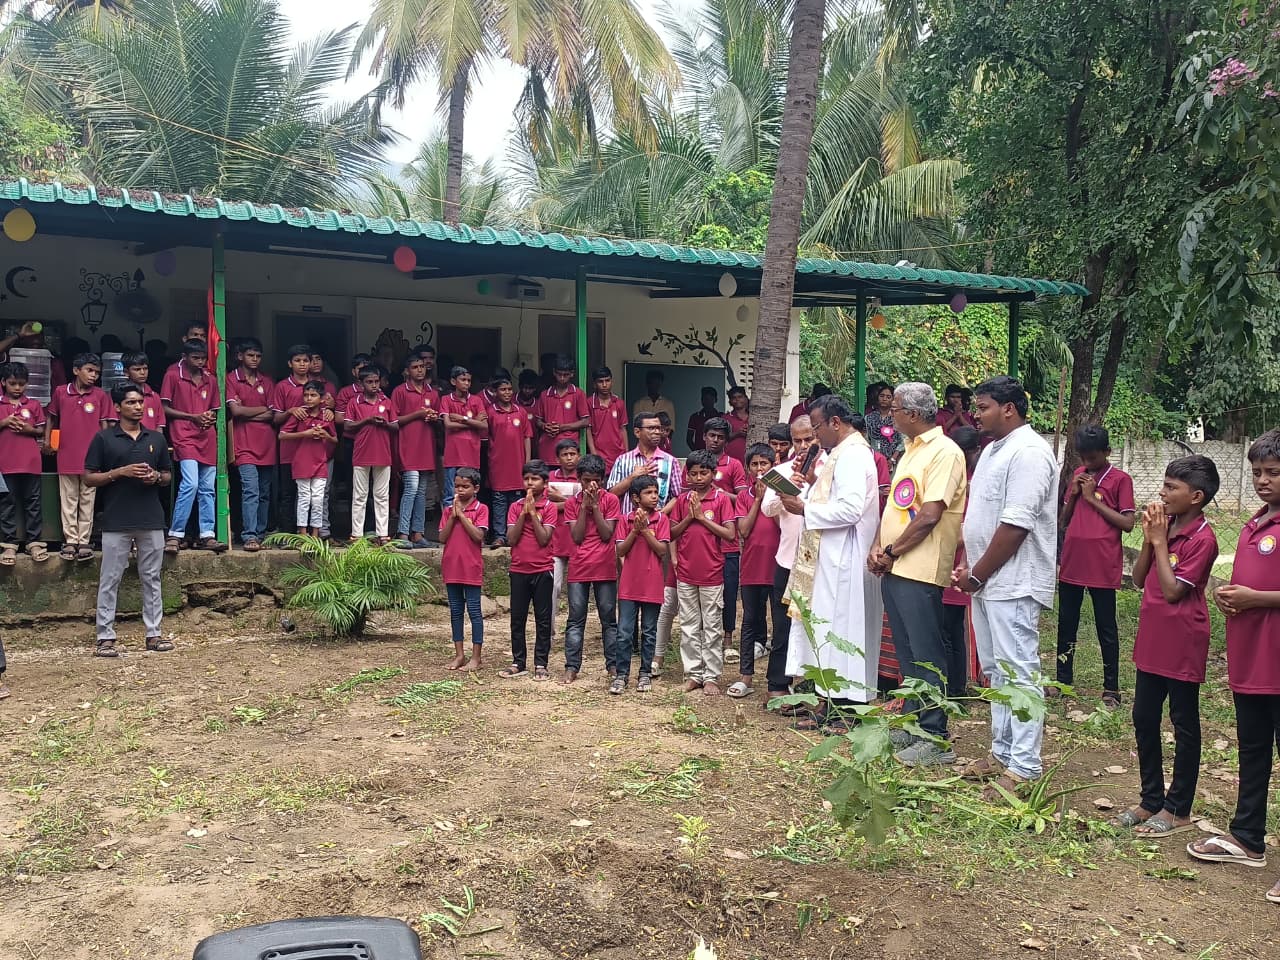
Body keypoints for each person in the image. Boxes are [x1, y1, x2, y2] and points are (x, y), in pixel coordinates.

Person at [953, 375, 1058, 797]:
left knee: (1018, 671)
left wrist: (979, 573)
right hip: (988, 580)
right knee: (996, 671)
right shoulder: (996, 449)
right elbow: (981, 518)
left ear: (1009, 408)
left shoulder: (1030, 452)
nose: (975, 415)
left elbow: (1016, 524)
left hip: (1013, 581)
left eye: (983, 407)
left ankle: (1026, 767)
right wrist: (970, 566)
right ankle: (1002, 752)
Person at [1189, 431, 1280, 898]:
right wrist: (1234, 599)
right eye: (1257, 473)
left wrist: (1255, 598)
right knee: (1253, 751)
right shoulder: (1253, 524)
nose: (1263, 481)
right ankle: (1247, 837)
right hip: (1251, 661)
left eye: (1273, 473)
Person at [1110, 456, 1218, 837]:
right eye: (1165, 484)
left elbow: (1173, 591)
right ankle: (1150, 798)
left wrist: (1159, 542)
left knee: (1183, 723)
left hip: (1183, 639)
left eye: (1172, 487)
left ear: (1196, 497)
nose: (1162, 492)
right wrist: (1149, 538)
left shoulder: (1204, 539)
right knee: (1144, 716)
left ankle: (1179, 807)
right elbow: (1139, 579)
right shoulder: (1165, 526)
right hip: (1152, 636)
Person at [868, 383, 967, 767]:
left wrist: (892, 551)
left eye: (893, 409)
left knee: (926, 653)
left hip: (920, 566)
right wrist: (880, 546)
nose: (889, 415)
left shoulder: (945, 452)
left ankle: (935, 735)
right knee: (908, 653)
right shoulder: (909, 450)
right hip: (896, 564)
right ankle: (912, 723)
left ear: (911, 413)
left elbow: (930, 514)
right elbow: (897, 504)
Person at [780, 395, 882, 731]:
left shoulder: (853, 455)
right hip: (827, 553)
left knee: (844, 628)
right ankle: (828, 700)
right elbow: (830, 499)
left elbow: (851, 509)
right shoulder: (839, 453)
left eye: (818, 427)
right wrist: (803, 494)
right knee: (825, 628)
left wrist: (804, 508)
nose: (815, 435)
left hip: (846, 559)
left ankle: (849, 708)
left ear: (836, 422)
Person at [83, 384, 174, 658]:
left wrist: (156, 477)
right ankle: (105, 637)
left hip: (151, 517)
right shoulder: (104, 438)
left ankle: (154, 634)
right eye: (131, 402)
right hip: (116, 519)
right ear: (118, 407)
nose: (137, 406)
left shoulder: (156, 439)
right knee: (110, 578)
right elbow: (89, 478)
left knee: (152, 578)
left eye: (140, 401)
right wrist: (120, 472)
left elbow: (168, 476)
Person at [1056, 425, 1136, 706]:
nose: (1087, 463)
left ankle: (1111, 689)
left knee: (1106, 626)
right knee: (1067, 622)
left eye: (1092, 457)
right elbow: (1064, 520)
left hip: (1102, 563)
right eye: (1083, 457)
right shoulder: (1078, 476)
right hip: (1073, 560)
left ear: (1107, 452)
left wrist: (1092, 499)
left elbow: (1128, 523)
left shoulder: (1120, 480)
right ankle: (1062, 681)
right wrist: (1077, 495)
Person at [671, 449, 738, 696]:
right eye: (693, 473)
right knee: (688, 625)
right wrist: (690, 517)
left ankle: (711, 676)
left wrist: (702, 517)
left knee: (711, 625)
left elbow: (730, 534)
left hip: (712, 573)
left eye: (703, 473)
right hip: (686, 572)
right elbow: (672, 533)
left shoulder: (720, 500)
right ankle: (693, 674)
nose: (698, 478)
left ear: (713, 474)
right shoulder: (682, 500)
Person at [761, 416, 817, 707]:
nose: (804, 445)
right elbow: (767, 508)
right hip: (788, 560)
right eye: (798, 440)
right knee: (783, 624)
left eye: (809, 439)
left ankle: (814, 685)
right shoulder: (782, 471)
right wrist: (788, 489)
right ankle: (778, 684)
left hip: (820, 563)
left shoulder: (828, 469)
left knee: (813, 624)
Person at [46, 352, 112, 561]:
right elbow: (51, 417)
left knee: (87, 499)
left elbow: (105, 425)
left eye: (97, 372)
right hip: (66, 453)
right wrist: (47, 440)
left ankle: (84, 540)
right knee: (68, 498)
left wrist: (106, 450)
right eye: (89, 371)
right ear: (76, 370)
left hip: (91, 456)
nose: (93, 376)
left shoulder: (100, 395)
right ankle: (70, 540)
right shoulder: (60, 392)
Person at [727, 443, 781, 698]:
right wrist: (758, 499)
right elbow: (744, 530)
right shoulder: (746, 496)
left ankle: (780, 680)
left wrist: (770, 497)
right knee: (750, 621)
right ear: (748, 468)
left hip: (779, 566)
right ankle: (745, 677)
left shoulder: (784, 493)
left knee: (781, 623)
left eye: (764, 464)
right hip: (751, 568)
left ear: (773, 465)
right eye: (755, 464)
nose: (760, 469)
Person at [160, 340, 224, 554]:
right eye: (195, 358)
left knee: (208, 488)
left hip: (207, 436)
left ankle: (208, 534)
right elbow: (164, 409)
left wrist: (207, 418)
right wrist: (192, 417)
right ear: (185, 356)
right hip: (183, 434)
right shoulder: (172, 375)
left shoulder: (210, 379)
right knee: (191, 484)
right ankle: (176, 534)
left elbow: (215, 410)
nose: (200, 362)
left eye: (203, 358)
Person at [563, 454, 621, 684]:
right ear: (579, 479)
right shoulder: (571, 503)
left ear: (602, 480)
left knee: (608, 619)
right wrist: (583, 508)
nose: (591, 485)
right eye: (586, 480)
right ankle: (571, 666)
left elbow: (607, 534)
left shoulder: (610, 501)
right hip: (579, 567)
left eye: (595, 480)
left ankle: (613, 665)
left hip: (604, 567)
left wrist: (595, 507)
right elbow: (576, 536)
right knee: (576, 618)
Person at [613, 474, 671, 695]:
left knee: (649, 631)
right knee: (624, 631)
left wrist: (645, 530)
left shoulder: (661, 520)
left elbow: (662, 550)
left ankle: (645, 672)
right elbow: (620, 550)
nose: (654, 496)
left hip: (652, 584)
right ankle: (621, 674)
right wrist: (635, 530)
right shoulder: (624, 520)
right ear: (636, 498)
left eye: (656, 492)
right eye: (649, 493)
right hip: (628, 584)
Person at [501, 460, 558, 681]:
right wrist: (524, 513)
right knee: (517, 617)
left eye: (534, 479)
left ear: (545, 482)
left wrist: (533, 512)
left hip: (543, 569)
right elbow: (511, 538)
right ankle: (518, 661)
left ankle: (541, 663)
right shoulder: (515, 507)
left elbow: (544, 539)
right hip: (518, 569)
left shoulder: (550, 507)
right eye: (526, 478)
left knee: (543, 619)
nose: (529, 483)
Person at [273, 344, 335, 537]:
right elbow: (275, 419)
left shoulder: (321, 387)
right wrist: (290, 411)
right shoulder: (282, 386)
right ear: (289, 363)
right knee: (289, 495)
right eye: (298, 360)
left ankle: (316, 533)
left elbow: (331, 419)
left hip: (316, 455)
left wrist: (330, 410)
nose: (302, 364)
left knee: (316, 497)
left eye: (306, 360)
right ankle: (289, 535)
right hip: (290, 452)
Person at [940, 425, 983, 697]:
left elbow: (964, 531)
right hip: (950, 559)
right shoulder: (960, 477)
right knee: (950, 629)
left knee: (949, 630)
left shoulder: (971, 483)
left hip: (954, 562)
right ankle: (955, 686)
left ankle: (954, 687)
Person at [226, 338, 276, 552]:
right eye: (250, 355)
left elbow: (273, 414)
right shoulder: (231, 379)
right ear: (240, 356)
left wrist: (247, 411)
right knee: (250, 490)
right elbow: (235, 412)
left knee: (265, 492)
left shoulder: (267, 381)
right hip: (243, 444)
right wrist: (261, 410)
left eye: (258, 356)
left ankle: (261, 533)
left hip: (267, 444)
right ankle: (249, 535)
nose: (254, 359)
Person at [440, 467, 488, 672]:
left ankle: (476, 656)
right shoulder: (447, 510)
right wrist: (453, 515)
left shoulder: (481, 509)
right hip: (452, 566)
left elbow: (478, 536)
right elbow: (442, 537)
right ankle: (459, 654)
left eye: (465, 486)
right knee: (456, 612)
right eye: (457, 485)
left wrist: (462, 516)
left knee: (475, 612)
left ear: (475, 488)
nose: (460, 490)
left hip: (471, 567)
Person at [0, 362, 48, 564]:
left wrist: (29, 430)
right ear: (3, 383)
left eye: (21, 384)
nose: (17, 388)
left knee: (33, 503)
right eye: (12, 383)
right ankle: (9, 545)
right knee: (6, 504)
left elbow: (41, 431)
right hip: (4, 462)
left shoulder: (34, 404)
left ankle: (34, 542)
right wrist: (5, 422)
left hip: (31, 462)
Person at [391, 354, 441, 549]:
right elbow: (394, 421)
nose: (420, 370)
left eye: (422, 366)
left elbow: (437, 419)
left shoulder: (433, 393)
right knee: (411, 488)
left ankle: (417, 534)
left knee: (421, 492)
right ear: (406, 371)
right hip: (407, 446)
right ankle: (403, 533)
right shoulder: (400, 391)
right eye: (415, 367)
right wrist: (418, 414)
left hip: (426, 446)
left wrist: (432, 418)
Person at [344, 365, 397, 543]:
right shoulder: (354, 402)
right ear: (361, 383)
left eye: (376, 381)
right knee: (360, 495)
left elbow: (396, 426)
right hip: (361, 453)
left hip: (383, 453)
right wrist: (367, 420)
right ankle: (356, 534)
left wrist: (384, 424)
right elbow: (347, 426)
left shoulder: (387, 401)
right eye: (369, 382)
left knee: (382, 496)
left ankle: (383, 534)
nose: (374, 385)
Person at [486, 374, 533, 548]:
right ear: (495, 392)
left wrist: (527, 461)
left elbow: (527, 437)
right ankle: (499, 536)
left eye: (509, 390)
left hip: (517, 464)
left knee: (516, 501)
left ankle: (514, 535)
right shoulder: (490, 412)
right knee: (498, 500)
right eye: (503, 390)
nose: (507, 393)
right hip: (498, 464)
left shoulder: (520, 411)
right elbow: (485, 436)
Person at [547, 439, 582, 644]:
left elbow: (586, 506)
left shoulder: (585, 476)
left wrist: (559, 499)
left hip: (578, 542)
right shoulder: (550, 478)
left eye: (573, 454)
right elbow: (546, 507)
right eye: (564, 454)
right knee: (553, 588)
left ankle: (574, 635)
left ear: (579, 455)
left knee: (577, 594)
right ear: (557, 458)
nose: (569, 458)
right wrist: (573, 502)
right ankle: (549, 634)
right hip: (555, 542)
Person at [439, 366, 488, 508]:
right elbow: (448, 425)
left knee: (471, 495)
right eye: (463, 380)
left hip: (472, 456)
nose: (466, 383)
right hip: (453, 456)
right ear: (453, 381)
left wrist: (462, 419)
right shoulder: (446, 399)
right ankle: (448, 528)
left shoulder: (476, 400)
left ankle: (469, 528)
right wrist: (474, 423)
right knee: (450, 495)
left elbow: (484, 426)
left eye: (469, 380)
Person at [533, 355, 589, 463]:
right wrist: (545, 426)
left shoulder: (578, 394)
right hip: (547, 447)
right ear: (554, 372)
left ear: (572, 374)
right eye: (559, 374)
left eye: (566, 375)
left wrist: (561, 427)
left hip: (569, 449)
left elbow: (586, 421)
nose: (562, 378)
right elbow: (538, 421)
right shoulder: (545, 395)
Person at [586, 366, 626, 471]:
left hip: (618, 454)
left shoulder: (619, 403)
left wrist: (626, 453)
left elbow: (622, 429)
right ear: (594, 384)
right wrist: (593, 453)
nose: (604, 385)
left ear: (611, 381)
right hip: (599, 454)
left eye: (607, 381)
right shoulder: (589, 403)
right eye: (600, 381)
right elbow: (588, 429)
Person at [119, 351, 165, 431]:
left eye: (145, 368)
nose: (142, 372)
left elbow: (159, 426)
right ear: (126, 372)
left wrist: (158, 443)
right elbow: (113, 424)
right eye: (137, 369)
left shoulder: (154, 396)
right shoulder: (119, 395)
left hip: (150, 442)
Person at [864, 382, 902, 462]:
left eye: (888, 397)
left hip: (894, 460)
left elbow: (902, 441)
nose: (884, 399)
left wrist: (892, 459)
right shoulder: (869, 418)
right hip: (873, 460)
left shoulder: (898, 417)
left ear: (893, 399)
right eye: (882, 396)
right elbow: (866, 440)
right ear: (877, 397)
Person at [687, 387, 722, 452]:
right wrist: (697, 453)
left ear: (715, 400)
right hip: (700, 455)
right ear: (701, 400)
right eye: (705, 399)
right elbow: (689, 439)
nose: (707, 402)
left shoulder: (721, 417)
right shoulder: (695, 417)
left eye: (710, 399)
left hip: (717, 455)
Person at [724, 386, 751, 464]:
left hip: (752, 460)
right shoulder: (726, 418)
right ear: (730, 402)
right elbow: (722, 438)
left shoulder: (754, 417)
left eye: (740, 397)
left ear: (746, 398)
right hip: (732, 459)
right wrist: (738, 433)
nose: (737, 400)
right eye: (734, 398)